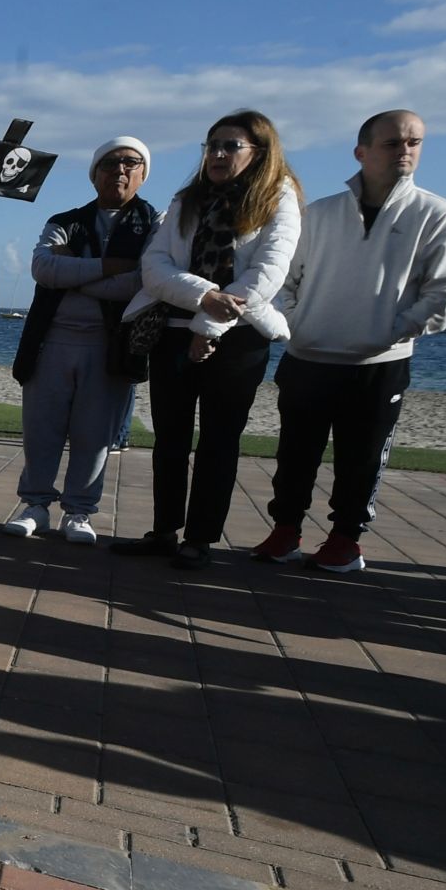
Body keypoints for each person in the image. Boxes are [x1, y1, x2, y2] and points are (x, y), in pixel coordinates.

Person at [252, 111, 446, 573]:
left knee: (362, 457)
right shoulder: (317, 213)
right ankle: (285, 532)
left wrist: (390, 331)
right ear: (361, 152)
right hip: (307, 355)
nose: (405, 151)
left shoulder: (437, 215)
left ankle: (346, 541)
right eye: (392, 143)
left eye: (414, 142)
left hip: (379, 363)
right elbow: (284, 279)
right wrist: (296, 322)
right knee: (295, 453)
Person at [111, 111, 302, 569]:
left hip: (239, 342)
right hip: (171, 336)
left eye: (230, 146)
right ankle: (163, 531)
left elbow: (266, 275)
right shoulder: (185, 200)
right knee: (169, 440)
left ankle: (199, 538)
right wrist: (204, 298)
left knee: (219, 441)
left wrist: (209, 327)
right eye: (211, 145)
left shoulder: (278, 198)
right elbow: (154, 269)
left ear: (258, 152)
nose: (217, 154)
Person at [2, 137, 160, 544]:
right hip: (50, 341)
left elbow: (144, 281)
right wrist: (109, 267)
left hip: (111, 346)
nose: (119, 170)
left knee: (95, 436)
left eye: (131, 163)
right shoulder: (65, 220)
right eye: (110, 163)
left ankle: (79, 512)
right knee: (41, 431)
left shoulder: (155, 225)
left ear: (143, 174)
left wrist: (77, 274)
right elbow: (44, 268)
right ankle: (35, 504)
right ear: (94, 174)